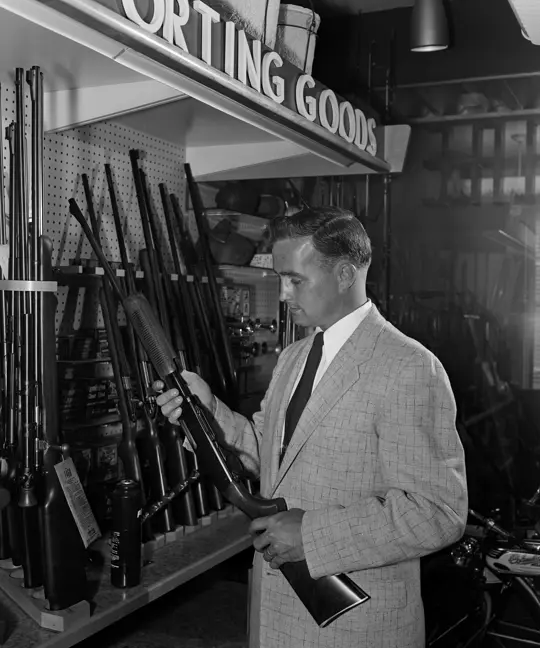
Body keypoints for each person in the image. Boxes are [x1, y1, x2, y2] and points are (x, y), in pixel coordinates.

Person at [154, 206, 468, 648]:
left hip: (356, 627)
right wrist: (207, 411)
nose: (283, 294)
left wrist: (312, 535)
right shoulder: (294, 359)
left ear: (343, 274)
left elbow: (439, 512)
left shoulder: (409, 367)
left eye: (295, 280)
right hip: (277, 618)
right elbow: (265, 454)